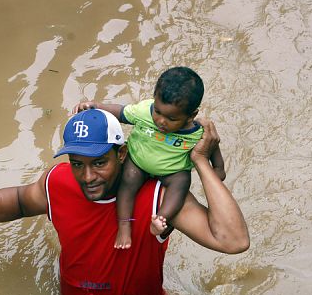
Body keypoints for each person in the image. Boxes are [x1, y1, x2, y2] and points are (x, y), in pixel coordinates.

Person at [0, 108, 248, 295]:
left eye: (99, 163)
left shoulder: (159, 197)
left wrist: (201, 162)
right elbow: (19, 200)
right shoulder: (58, 182)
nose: (87, 177)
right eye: (77, 164)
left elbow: (233, 240)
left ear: (121, 154)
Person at [72, 67, 226, 250]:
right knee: (127, 181)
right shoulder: (144, 111)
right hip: (139, 162)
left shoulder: (198, 133)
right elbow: (121, 112)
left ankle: (161, 220)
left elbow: (215, 154)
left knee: (182, 183)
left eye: (171, 118)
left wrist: (216, 171)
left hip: (172, 171)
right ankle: (124, 226)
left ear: (191, 115)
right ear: (154, 100)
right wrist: (96, 107)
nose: (161, 121)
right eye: (158, 112)